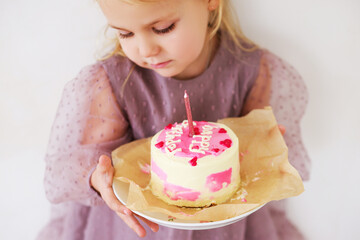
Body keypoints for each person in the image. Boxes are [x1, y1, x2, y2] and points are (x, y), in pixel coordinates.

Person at [37, 0, 311, 239]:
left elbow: (254, 143)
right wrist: (99, 178)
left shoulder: (250, 69)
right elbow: (87, 161)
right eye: (125, 33)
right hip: (141, 229)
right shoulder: (113, 82)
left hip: (225, 226)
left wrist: (264, 145)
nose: (145, 50)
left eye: (163, 28)